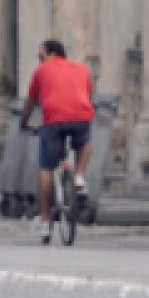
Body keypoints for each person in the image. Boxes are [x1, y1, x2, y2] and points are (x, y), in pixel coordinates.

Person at [20, 39, 95, 244]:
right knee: (85, 142)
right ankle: (79, 177)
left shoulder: (41, 71)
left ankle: (45, 222)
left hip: (53, 120)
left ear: (51, 53)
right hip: (81, 117)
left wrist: (24, 123)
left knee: (46, 168)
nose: (39, 59)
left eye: (41, 55)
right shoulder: (82, 69)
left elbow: (30, 102)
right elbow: (87, 94)